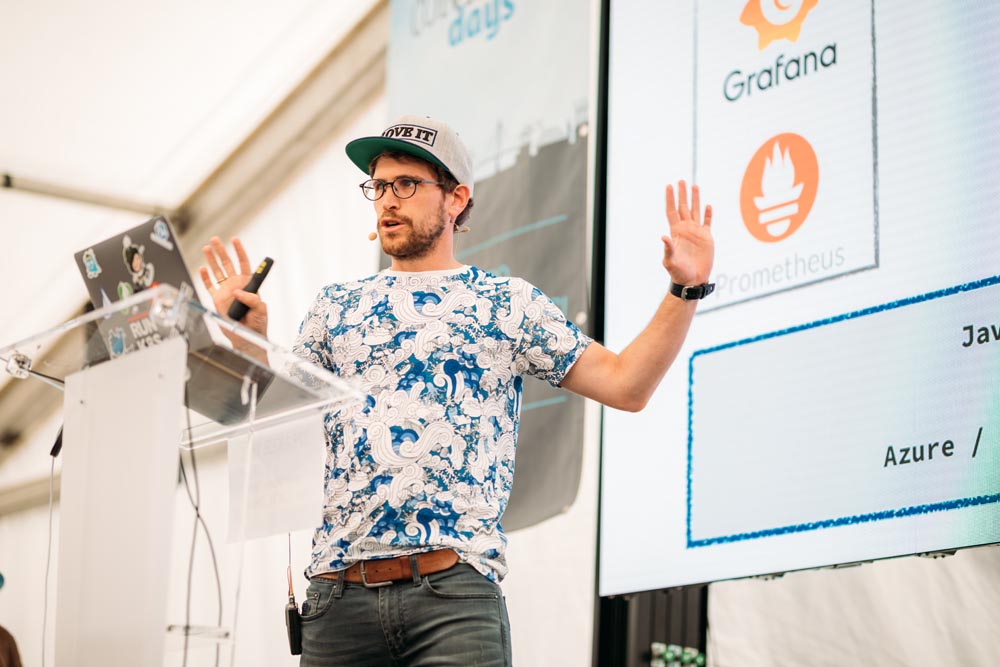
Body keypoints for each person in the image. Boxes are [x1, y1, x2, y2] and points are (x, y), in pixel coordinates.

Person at [200, 114, 715, 666]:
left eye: (406, 184)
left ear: (456, 198)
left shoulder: (506, 303)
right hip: (338, 598)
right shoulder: (335, 306)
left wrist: (685, 288)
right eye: (378, 185)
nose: (387, 199)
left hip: (453, 597)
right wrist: (248, 341)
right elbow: (279, 427)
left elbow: (626, 384)